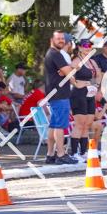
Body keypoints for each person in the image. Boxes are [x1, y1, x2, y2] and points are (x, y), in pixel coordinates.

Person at [43, 30, 78, 165]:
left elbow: (65, 71)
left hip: (54, 93)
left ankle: (50, 154)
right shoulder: (56, 54)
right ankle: (61, 154)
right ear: (51, 40)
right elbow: (69, 72)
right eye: (58, 38)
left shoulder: (51, 53)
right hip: (59, 94)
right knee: (60, 125)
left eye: (63, 38)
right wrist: (71, 70)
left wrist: (66, 70)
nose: (61, 41)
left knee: (53, 124)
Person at [69, 39, 101, 161]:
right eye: (85, 45)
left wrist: (96, 85)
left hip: (89, 93)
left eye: (90, 45)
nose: (88, 47)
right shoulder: (76, 61)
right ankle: (74, 153)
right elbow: (68, 74)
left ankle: (83, 152)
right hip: (79, 94)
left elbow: (98, 74)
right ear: (80, 47)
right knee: (80, 124)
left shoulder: (92, 61)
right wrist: (77, 84)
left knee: (87, 123)